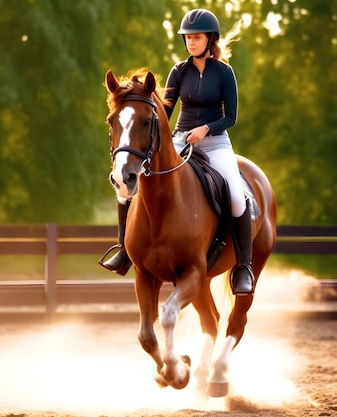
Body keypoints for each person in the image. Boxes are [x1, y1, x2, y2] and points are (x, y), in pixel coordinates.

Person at [100, 9, 254, 295]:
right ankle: (124, 250)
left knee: (235, 194)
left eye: (196, 38)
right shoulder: (178, 71)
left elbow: (230, 117)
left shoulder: (224, 73)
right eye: (188, 38)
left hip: (215, 141)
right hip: (181, 139)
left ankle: (244, 267)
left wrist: (206, 129)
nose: (191, 43)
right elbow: (164, 113)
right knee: (129, 185)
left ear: (210, 40)